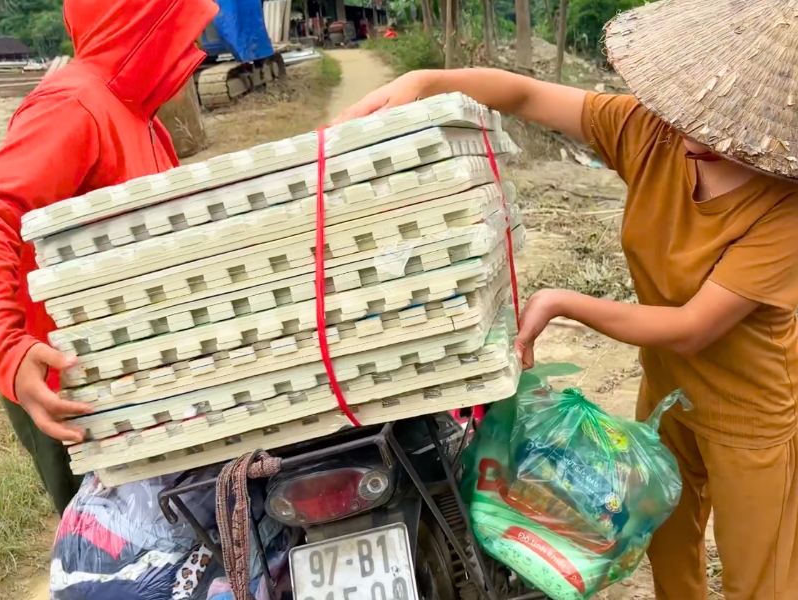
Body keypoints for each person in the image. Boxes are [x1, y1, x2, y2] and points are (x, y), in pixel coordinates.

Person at [336, 1, 798, 598]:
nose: (692, 132)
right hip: (667, 389)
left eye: (716, 130)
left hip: (749, 412)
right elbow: (526, 96)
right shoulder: (651, 132)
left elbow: (693, 325)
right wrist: (427, 80)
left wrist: (563, 301)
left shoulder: (784, 209)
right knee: (666, 546)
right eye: (693, 113)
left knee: (759, 579)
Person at [0, 0, 219, 514]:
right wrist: (9, 349)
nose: (196, 35)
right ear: (142, 20)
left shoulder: (139, 116)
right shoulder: (71, 105)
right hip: (69, 391)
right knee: (121, 556)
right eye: (178, 21)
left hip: (133, 380)